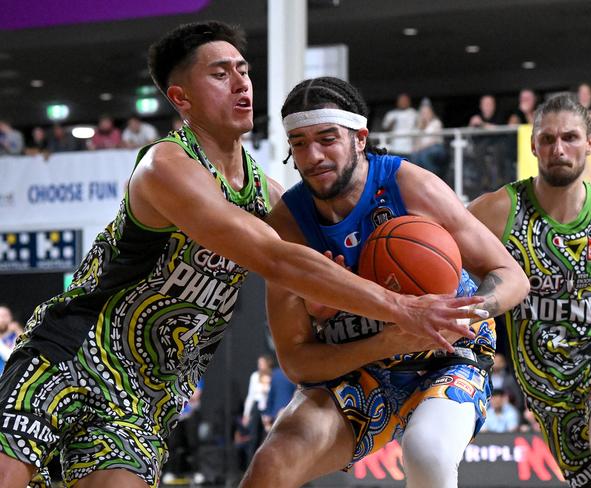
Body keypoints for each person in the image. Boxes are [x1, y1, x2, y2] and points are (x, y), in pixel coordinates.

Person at [0, 21, 482, 488]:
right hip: (72, 353)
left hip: (146, 397)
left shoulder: (270, 196)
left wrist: (326, 304)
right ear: (180, 98)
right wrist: (400, 305)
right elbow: (277, 260)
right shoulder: (166, 166)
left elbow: (311, 281)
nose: (240, 83)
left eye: (243, 70)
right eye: (219, 73)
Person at [240, 76, 529, 488]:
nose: (314, 155)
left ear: (360, 137)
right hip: (360, 368)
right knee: (271, 464)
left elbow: (511, 276)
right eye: (300, 143)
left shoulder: (410, 185)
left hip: (445, 356)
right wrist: (385, 336)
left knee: (427, 451)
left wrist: (465, 312)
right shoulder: (289, 224)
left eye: (327, 138)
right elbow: (296, 361)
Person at [469, 93, 591, 487]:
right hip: (546, 389)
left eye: (569, 137)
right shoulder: (499, 210)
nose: (558, 148)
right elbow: (433, 251)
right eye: (548, 139)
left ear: (590, 142)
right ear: (533, 145)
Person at [410, 98, 446, 177]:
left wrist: (421, 148)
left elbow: (434, 140)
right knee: (414, 156)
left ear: (430, 112)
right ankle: (418, 178)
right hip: (423, 149)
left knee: (424, 156)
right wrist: (416, 148)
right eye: (423, 113)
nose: (424, 114)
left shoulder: (436, 122)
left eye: (426, 112)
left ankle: (433, 176)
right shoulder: (419, 126)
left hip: (436, 147)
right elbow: (417, 141)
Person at [381, 92, 418, 158]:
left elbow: (420, 128)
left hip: (410, 148)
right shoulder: (391, 114)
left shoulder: (414, 113)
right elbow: (385, 129)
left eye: (405, 101)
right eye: (401, 101)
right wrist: (392, 124)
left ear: (409, 102)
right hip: (394, 147)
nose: (403, 102)